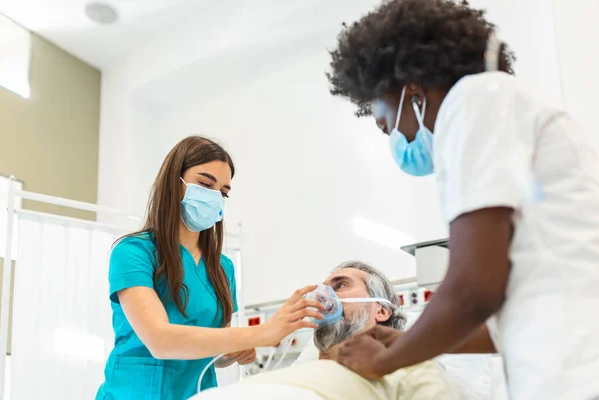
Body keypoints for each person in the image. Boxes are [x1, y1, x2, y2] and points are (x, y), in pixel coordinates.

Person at [326, 0, 599, 399]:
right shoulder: (502, 107)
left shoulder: (475, 99)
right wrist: (401, 340)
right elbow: (497, 323)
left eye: (387, 125)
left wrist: (385, 360)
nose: (397, 141)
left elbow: (473, 290)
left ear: (410, 88)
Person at [96, 136, 325, 400]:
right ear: (174, 181)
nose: (214, 198)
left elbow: (216, 351)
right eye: (205, 184)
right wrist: (261, 332)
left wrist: (235, 350)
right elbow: (160, 340)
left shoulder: (222, 268)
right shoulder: (134, 252)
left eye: (223, 192)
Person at [193, 261, 458, 400]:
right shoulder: (294, 374)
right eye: (322, 287)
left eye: (341, 285)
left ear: (381, 310)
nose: (323, 295)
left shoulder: (409, 368)